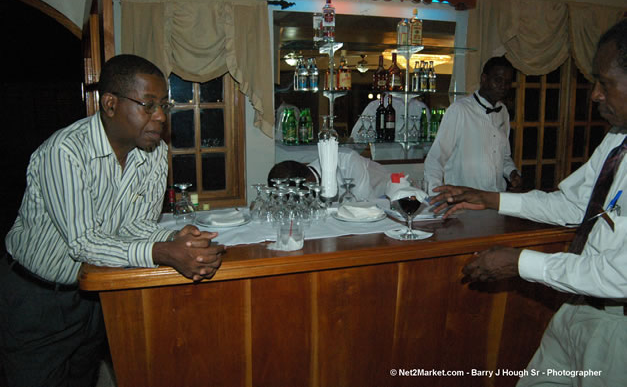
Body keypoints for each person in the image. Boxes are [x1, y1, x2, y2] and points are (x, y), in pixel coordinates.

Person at [1, 54, 225, 386]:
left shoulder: (153, 153)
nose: (161, 116)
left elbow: (135, 225)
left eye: (164, 104)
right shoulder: (65, 152)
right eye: (148, 105)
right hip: (36, 298)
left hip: (95, 291)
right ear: (110, 104)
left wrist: (177, 237)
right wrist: (164, 252)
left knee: (84, 377)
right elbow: (84, 242)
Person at [430, 19, 627, 386]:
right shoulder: (617, 142)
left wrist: (520, 262)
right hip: (577, 307)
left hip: (618, 330)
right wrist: (490, 198)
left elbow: (620, 275)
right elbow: (572, 206)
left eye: (605, 82)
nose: (596, 94)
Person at [423, 56, 522, 193]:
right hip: (464, 200)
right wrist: (435, 195)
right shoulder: (459, 110)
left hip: (497, 198)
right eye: (498, 80)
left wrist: (512, 172)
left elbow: (503, 156)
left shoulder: (503, 112)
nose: (503, 87)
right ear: (484, 79)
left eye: (507, 82)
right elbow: (436, 158)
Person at [268, 147, 389, 201]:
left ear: (307, 182)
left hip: (385, 198)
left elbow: (365, 203)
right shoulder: (310, 185)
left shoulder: (347, 161)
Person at [350, 93, 428, 142]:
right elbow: (429, 144)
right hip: (414, 164)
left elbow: (356, 140)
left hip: (381, 163)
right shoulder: (421, 107)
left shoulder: (374, 106)